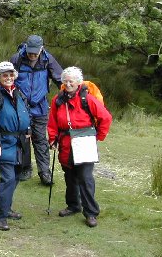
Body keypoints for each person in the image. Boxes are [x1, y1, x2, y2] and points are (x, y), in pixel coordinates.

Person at [47, 66, 112, 228]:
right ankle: (73, 206)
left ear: (78, 82)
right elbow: (53, 121)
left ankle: (91, 212)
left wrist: (98, 137)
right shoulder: (58, 99)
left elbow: (106, 117)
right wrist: (52, 139)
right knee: (69, 176)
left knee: (85, 178)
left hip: (84, 141)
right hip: (65, 142)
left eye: (71, 81)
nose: (68, 84)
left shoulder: (88, 99)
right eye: (65, 81)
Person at [0, 62, 31, 231]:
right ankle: (0, 217)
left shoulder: (17, 92)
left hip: (20, 142)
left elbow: (25, 111)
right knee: (8, 178)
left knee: (16, 177)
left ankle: (6, 208)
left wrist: (29, 128)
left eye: (11, 75)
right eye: (5, 75)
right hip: (3, 142)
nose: (9, 78)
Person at [10, 34, 63, 186]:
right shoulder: (17, 59)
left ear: (41, 49)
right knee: (23, 138)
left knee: (40, 139)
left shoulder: (48, 59)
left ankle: (44, 172)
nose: (32, 55)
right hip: (21, 106)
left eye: (35, 52)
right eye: (30, 51)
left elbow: (60, 79)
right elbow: (5, 78)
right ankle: (25, 167)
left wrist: (67, 95)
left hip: (40, 106)